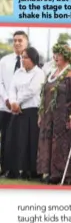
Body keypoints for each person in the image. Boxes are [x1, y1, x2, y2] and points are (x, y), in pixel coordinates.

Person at [37, 43, 71, 185]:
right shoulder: (52, 73)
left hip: (64, 115)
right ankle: (49, 171)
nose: (56, 57)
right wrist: (41, 115)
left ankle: (64, 174)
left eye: (59, 54)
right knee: (48, 142)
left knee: (61, 144)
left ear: (67, 56)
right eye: (55, 54)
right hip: (49, 116)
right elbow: (44, 96)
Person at [3, 46, 44, 180]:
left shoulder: (39, 73)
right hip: (17, 111)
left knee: (30, 142)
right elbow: (12, 88)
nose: (23, 60)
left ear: (33, 59)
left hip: (31, 111)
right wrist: (13, 101)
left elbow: (32, 90)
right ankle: (12, 170)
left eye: (25, 57)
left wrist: (17, 102)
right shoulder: (18, 72)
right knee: (13, 140)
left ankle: (30, 171)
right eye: (22, 57)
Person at [0, 30, 28, 176]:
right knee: (5, 137)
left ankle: (17, 170)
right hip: (5, 107)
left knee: (18, 138)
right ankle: (4, 168)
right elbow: (1, 82)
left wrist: (18, 102)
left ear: (26, 43)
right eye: (15, 40)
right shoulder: (4, 61)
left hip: (23, 107)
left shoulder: (31, 61)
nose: (17, 43)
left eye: (20, 40)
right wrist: (7, 99)